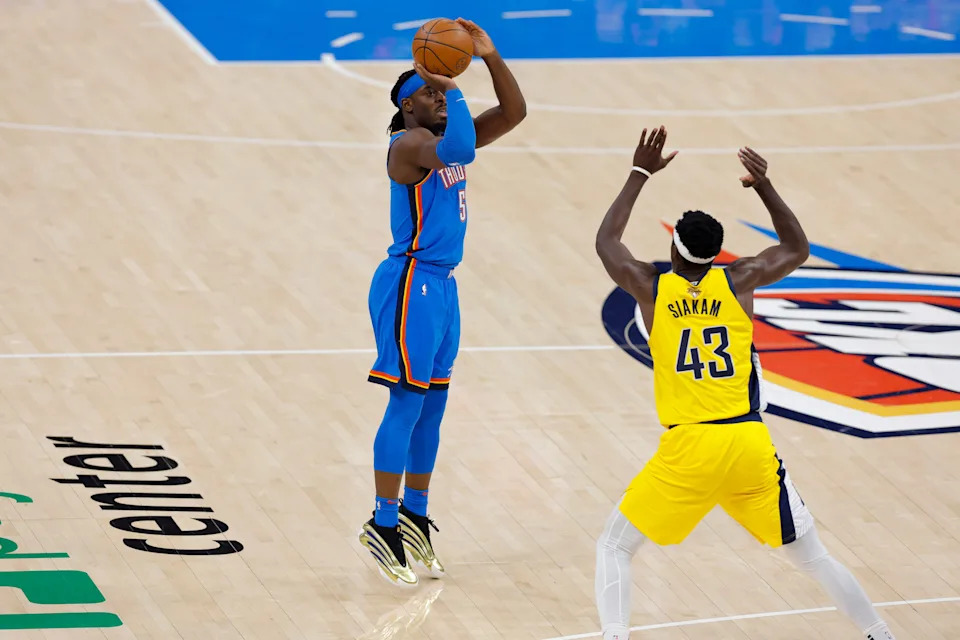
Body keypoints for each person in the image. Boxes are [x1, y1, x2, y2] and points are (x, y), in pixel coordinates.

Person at [592, 126, 896, 640]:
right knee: (812, 556)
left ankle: (615, 636)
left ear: (675, 247)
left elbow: (607, 242)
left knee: (614, 547)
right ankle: (879, 633)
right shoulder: (740, 281)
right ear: (716, 253)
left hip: (690, 445)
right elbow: (797, 246)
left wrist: (640, 172)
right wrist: (764, 186)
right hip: (748, 441)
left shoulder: (652, 285)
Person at [359, 18, 526, 588]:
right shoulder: (408, 145)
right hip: (409, 283)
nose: (436, 95)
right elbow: (464, 150)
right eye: (425, 92)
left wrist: (489, 57)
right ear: (407, 108)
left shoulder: (447, 137)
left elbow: (514, 114)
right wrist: (451, 82)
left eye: (438, 89)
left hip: (443, 286)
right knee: (406, 405)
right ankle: (380, 525)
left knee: (433, 409)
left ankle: (415, 514)